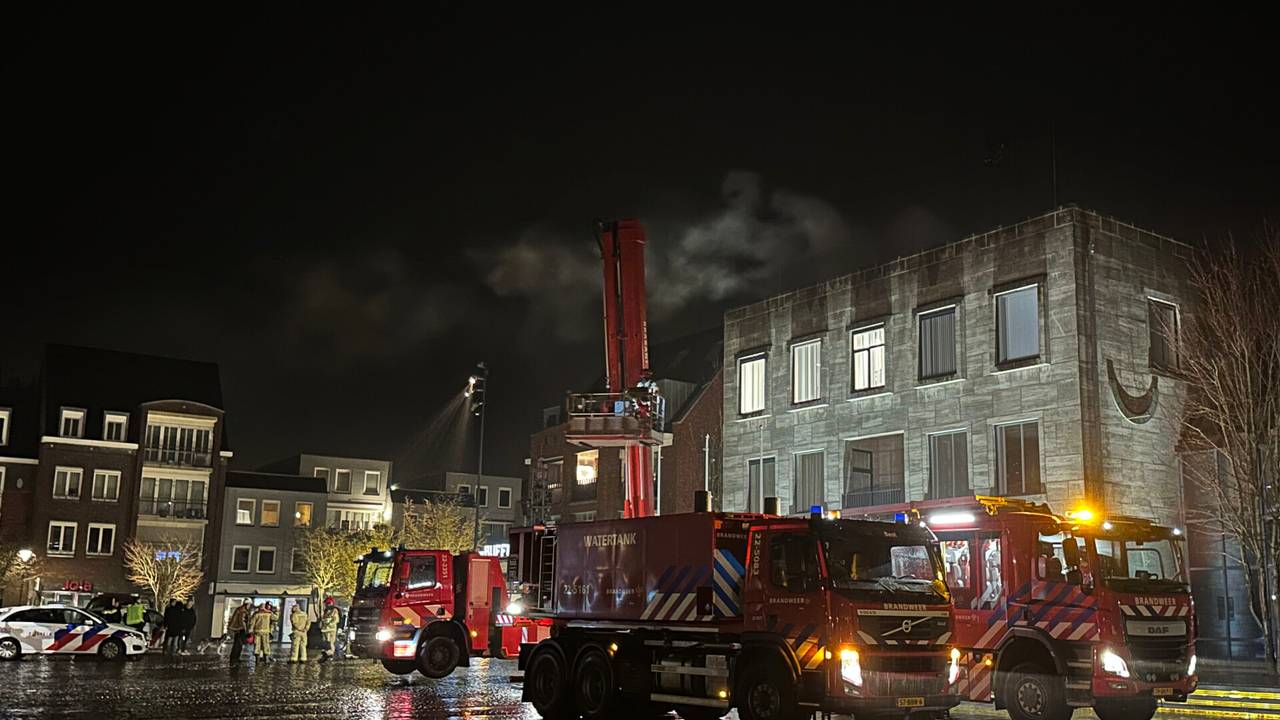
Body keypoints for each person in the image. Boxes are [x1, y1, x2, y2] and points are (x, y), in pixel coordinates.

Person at [318, 597, 341, 663]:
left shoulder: (334, 610)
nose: (326, 605)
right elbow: (323, 619)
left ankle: (329, 655)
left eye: (327, 603)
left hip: (331, 630)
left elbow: (336, 620)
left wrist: (329, 623)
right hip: (325, 630)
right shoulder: (326, 611)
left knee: (331, 643)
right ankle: (327, 655)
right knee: (326, 643)